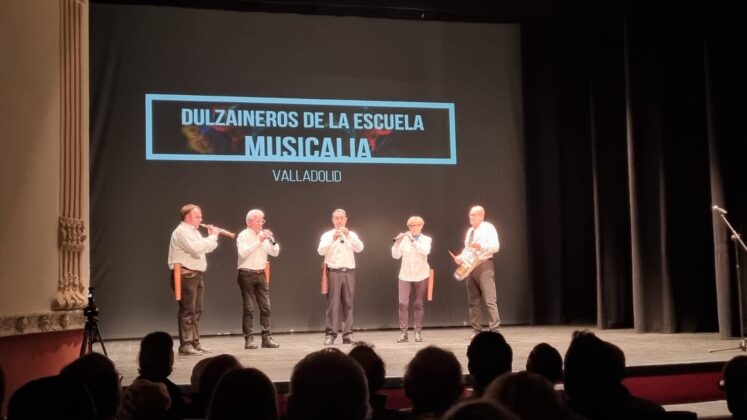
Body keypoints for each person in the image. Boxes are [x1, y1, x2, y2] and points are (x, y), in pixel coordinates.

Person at [168, 203, 221, 355]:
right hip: (185, 275)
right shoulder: (181, 231)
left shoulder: (194, 232)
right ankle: (186, 345)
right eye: (198, 217)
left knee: (197, 311)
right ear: (188, 217)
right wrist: (212, 237)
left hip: (196, 275)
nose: (201, 220)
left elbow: (206, 248)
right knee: (187, 311)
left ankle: (195, 342)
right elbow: (196, 249)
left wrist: (212, 237)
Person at [452, 205, 501, 338]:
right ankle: (477, 332)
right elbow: (468, 249)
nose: (471, 217)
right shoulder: (470, 231)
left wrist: (481, 246)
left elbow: (496, 246)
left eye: (473, 215)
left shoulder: (488, 228)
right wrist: (460, 257)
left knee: (490, 299)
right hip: (470, 267)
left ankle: (495, 331)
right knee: (473, 301)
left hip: (484, 265)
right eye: (470, 215)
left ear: (481, 215)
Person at [318, 209, 364, 345]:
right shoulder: (327, 235)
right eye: (336, 218)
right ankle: (330, 335)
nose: (339, 220)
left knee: (348, 304)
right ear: (332, 220)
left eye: (341, 218)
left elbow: (360, 248)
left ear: (346, 220)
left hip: (349, 272)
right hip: (333, 272)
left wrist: (348, 235)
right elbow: (320, 251)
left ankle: (347, 334)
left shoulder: (352, 234)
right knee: (333, 304)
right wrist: (332, 239)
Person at [236, 209, 280, 349]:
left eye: (262, 220)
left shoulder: (264, 236)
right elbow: (243, 253)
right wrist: (259, 241)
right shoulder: (243, 235)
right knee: (249, 309)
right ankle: (249, 339)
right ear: (249, 222)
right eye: (258, 221)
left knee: (266, 308)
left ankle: (266, 338)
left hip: (261, 274)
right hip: (246, 274)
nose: (261, 223)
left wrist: (271, 240)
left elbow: (275, 252)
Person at [392, 216, 431, 343]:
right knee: (402, 303)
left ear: (421, 226)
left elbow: (425, 251)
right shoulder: (404, 240)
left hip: (421, 275)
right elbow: (395, 256)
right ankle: (403, 333)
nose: (413, 228)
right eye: (411, 226)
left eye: (416, 225)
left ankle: (417, 332)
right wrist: (397, 243)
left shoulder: (426, 239)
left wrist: (413, 240)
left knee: (418, 304)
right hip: (405, 275)